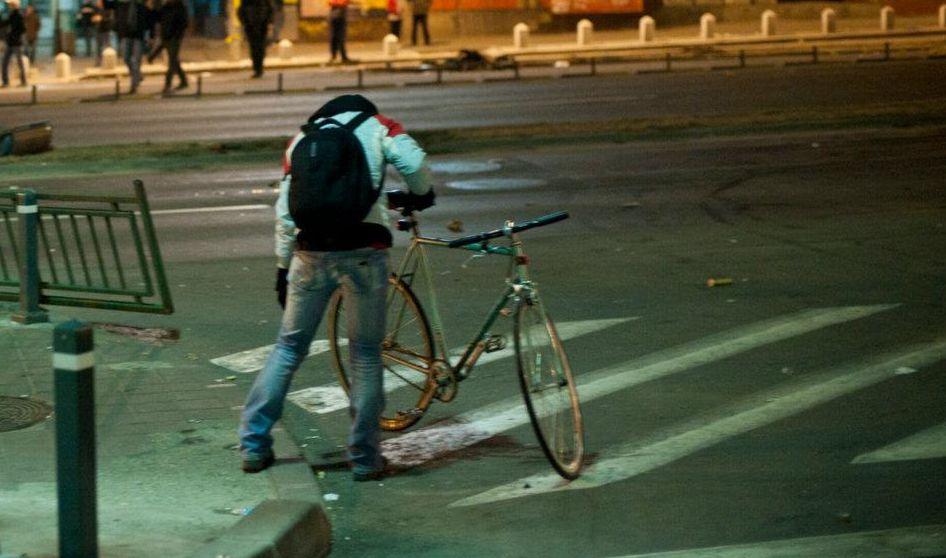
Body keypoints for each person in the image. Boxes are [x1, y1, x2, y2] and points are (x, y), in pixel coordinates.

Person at [238, 94, 433, 481]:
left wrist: (282, 267)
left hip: (310, 255)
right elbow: (414, 163)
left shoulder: (302, 140)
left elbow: (285, 212)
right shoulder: (380, 127)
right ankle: (364, 457)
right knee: (364, 354)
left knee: (289, 348)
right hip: (365, 253)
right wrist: (422, 193)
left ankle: (253, 445)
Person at [105, 0, 150, 93]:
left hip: (138, 36)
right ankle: (137, 75)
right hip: (125, 35)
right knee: (126, 58)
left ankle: (134, 85)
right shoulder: (120, 4)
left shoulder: (140, 6)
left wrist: (150, 36)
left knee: (135, 60)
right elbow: (107, 5)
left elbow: (148, 22)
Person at [147, 0, 188, 93]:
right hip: (166, 37)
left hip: (174, 38)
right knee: (174, 61)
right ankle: (184, 81)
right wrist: (151, 9)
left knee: (172, 61)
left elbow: (184, 23)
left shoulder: (180, 7)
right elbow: (157, 18)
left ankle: (167, 84)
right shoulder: (166, 7)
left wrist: (177, 34)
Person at [238, 0, 272, 78]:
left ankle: (258, 69)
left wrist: (244, 22)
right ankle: (258, 68)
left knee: (256, 47)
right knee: (258, 47)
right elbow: (269, 10)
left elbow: (241, 11)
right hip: (257, 26)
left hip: (256, 26)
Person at [1, 0, 26, 88]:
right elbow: (4, 23)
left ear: (14, 6)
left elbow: (23, 29)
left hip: (16, 43)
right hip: (11, 43)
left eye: (10, 5)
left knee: (20, 63)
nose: (9, 7)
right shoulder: (12, 15)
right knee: (4, 63)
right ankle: (5, 81)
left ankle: (23, 81)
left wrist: (13, 34)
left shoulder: (18, 16)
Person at [94, 0, 113, 67]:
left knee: (107, 46)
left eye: (98, 1)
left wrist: (101, 19)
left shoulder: (107, 9)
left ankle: (109, 62)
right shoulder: (96, 9)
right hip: (98, 30)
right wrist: (94, 19)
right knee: (98, 47)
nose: (97, 3)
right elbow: (94, 17)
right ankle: (98, 62)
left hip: (106, 30)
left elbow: (110, 19)